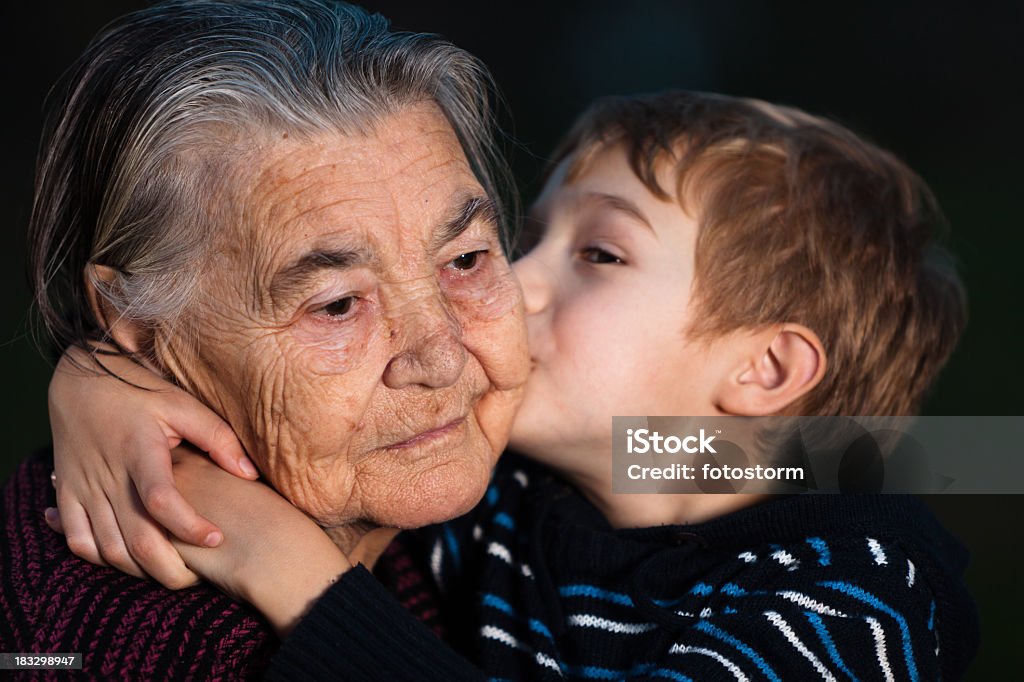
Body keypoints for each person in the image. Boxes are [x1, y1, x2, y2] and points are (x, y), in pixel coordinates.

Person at [44, 88, 980, 680]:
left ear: (763, 370)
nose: (509, 286)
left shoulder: (849, 596)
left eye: (599, 254)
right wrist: (98, 378)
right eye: (516, 241)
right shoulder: (509, 499)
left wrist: (284, 568)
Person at [1, 0, 529, 678]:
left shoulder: (511, 470)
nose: (441, 357)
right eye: (337, 305)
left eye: (465, 260)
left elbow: (704, 455)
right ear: (137, 327)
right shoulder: (119, 645)